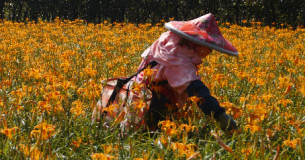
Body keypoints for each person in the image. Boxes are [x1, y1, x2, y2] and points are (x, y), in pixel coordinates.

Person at [94, 13, 238, 133]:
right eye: (208, 47)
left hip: (138, 92)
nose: (209, 52)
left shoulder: (167, 42)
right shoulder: (178, 59)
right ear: (196, 43)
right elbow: (197, 91)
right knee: (144, 132)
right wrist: (220, 115)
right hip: (149, 100)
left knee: (135, 128)